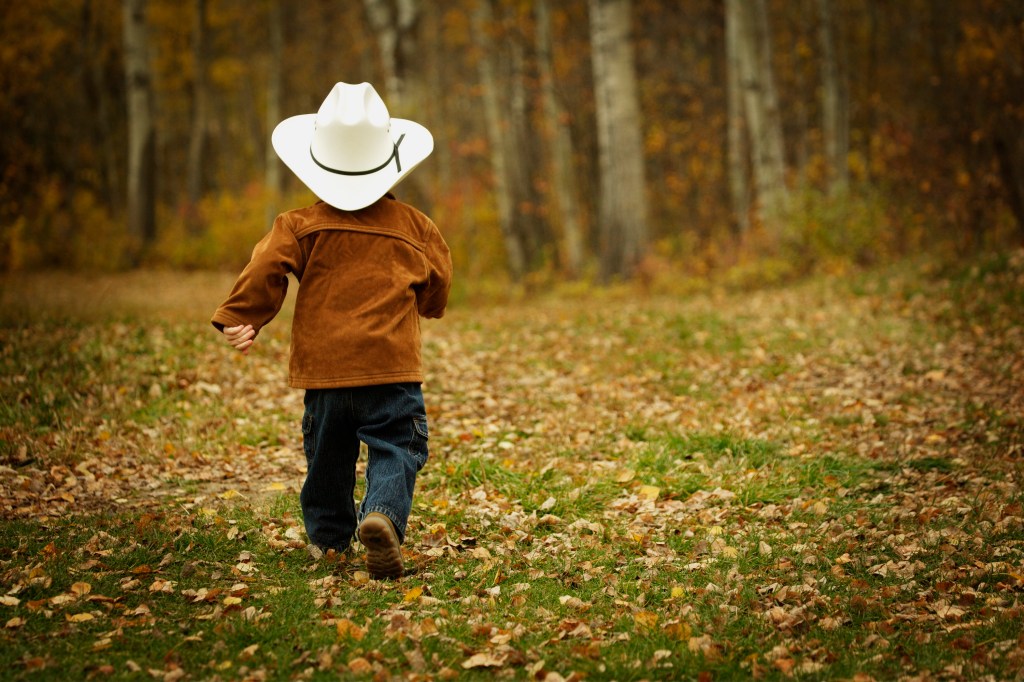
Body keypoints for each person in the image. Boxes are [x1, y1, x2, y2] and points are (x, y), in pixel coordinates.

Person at [211, 82, 452, 579]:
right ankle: (381, 515)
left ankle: (328, 543)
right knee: (397, 446)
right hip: (390, 368)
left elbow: (266, 266)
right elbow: (439, 279)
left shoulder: (299, 224)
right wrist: (429, 304)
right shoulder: (416, 227)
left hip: (324, 371)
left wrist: (243, 316)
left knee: (327, 457)